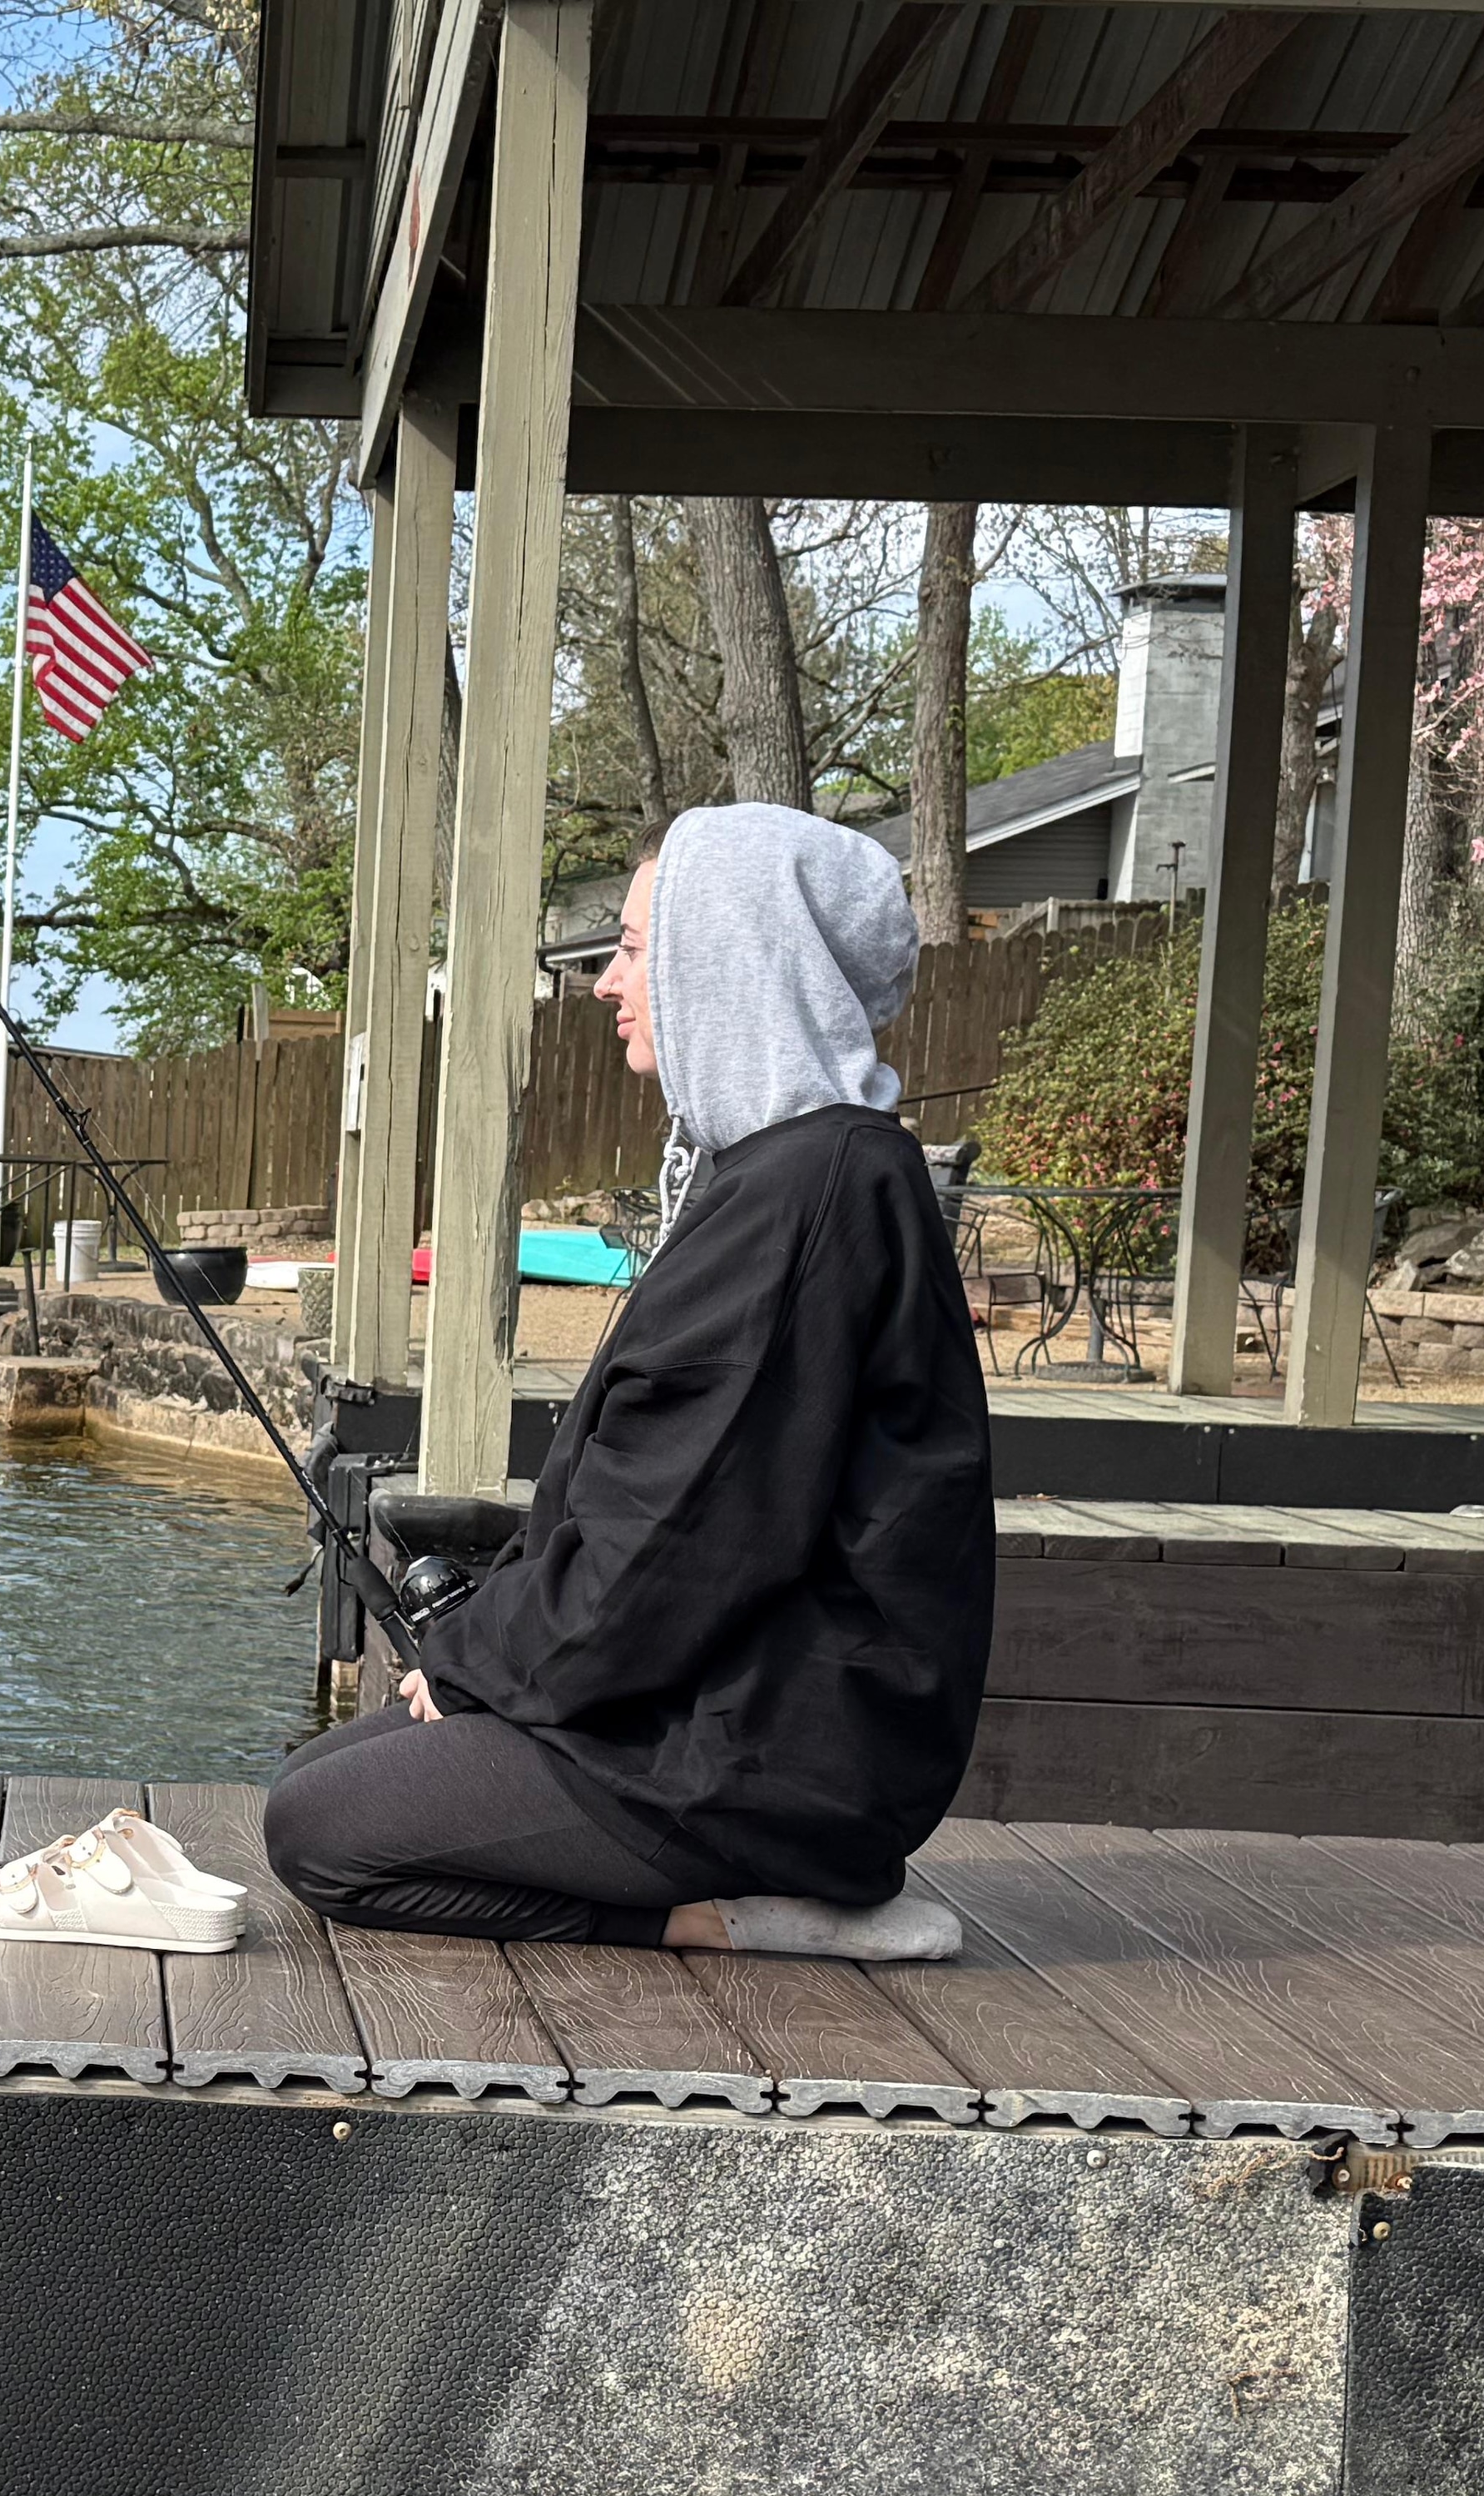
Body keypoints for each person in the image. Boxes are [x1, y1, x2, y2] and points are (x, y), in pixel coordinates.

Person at [264, 802, 994, 1963]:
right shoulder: (800, 1173)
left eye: (639, 946)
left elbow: (680, 1537)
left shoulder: (814, 1193)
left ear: (739, 957)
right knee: (328, 1772)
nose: (608, 980)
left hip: (771, 1756)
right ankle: (765, 1898)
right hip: (726, 1712)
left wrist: (472, 1666)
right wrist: (487, 1656)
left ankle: (750, 1916)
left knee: (321, 1831)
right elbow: (672, 1507)